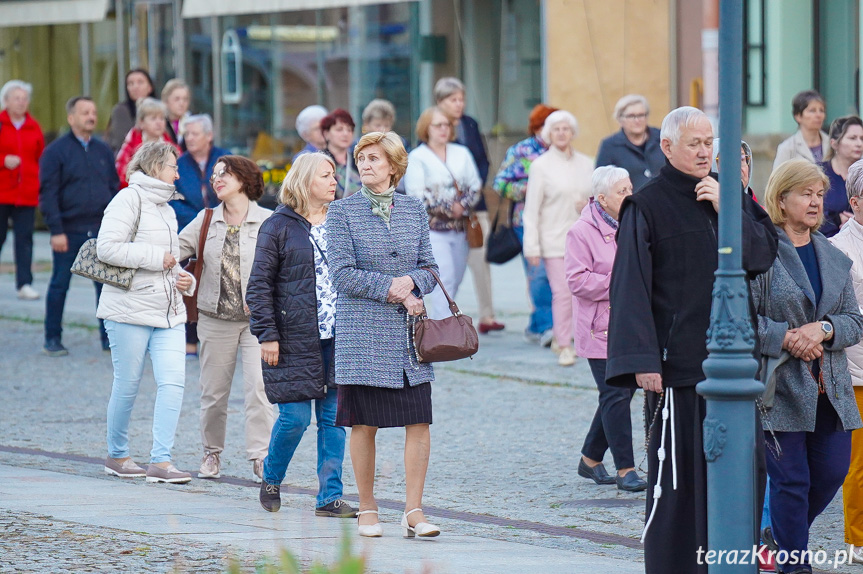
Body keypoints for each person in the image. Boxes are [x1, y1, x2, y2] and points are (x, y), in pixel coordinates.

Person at [605, 106, 778, 574]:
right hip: (677, 368)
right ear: (668, 147)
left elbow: (763, 256)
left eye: (709, 143)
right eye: (695, 144)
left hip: (736, 368)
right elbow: (630, 288)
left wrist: (729, 208)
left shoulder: (728, 194)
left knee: (741, 476)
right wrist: (642, 360)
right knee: (679, 484)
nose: (705, 152)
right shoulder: (647, 205)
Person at [327, 131, 440, 538]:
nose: (366, 165)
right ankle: (368, 509)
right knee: (364, 425)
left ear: (393, 166)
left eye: (374, 158)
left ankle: (413, 510)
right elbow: (341, 274)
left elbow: (431, 269)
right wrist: (392, 288)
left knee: (419, 422)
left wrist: (411, 281)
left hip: (409, 341)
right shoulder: (341, 213)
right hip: (363, 337)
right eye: (361, 158)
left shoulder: (414, 209)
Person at [753, 158, 863, 574]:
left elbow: (855, 321)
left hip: (830, 387)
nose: (816, 202)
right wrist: (786, 337)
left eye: (819, 195)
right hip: (780, 386)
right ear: (782, 200)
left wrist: (823, 329)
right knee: (791, 480)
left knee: (833, 471)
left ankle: (781, 536)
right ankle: (793, 565)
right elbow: (741, 316)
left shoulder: (832, 255)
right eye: (805, 194)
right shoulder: (762, 252)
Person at [247, 152, 356, 518]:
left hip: (339, 339)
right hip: (292, 341)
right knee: (294, 418)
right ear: (305, 180)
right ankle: (272, 477)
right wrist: (267, 336)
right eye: (326, 175)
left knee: (334, 421)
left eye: (334, 175)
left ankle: (330, 497)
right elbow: (258, 287)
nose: (334, 181)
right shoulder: (277, 226)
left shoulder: (342, 221)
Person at [97, 141, 196, 484]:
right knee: (128, 384)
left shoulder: (168, 208)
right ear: (155, 167)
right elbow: (106, 248)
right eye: (173, 165)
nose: (177, 172)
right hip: (128, 310)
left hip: (168, 311)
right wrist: (157, 259)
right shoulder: (128, 199)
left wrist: (181, 276)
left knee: (174, 383)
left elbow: (169, 261)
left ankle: (161, 461)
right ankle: (117, 454)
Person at [179, 155, 276, 483]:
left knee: (259, 390)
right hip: (214, 318)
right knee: (214, 392)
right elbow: (174, 250)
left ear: (245, 180)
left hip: (257, 322)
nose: (217, 179)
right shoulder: (205, 219)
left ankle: (261, 456)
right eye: (215, 174)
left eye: (225, 174)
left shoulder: (268, 221)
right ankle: (211, 452)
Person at [565, 165, 645, 492]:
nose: (629, 195)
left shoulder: (634, 223)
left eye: (630, 189)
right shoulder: (580, 231)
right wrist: (621, 282)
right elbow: (577, 280)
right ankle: (625, 469)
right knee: (615, 393)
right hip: (600, 328)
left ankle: (590, 457)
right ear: (602, 198)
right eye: (621, 192)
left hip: (631, 324)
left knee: (623, 390)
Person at [39, 96, 119, 356]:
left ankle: (108, 339)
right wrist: (56, 230)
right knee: (60, 284)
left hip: (99, 229)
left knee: (105, 287)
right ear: (71, 118)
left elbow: (113, 186)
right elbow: (48, 194)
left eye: (94, 112)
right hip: (68, 231)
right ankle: (52, 338)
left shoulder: (103, 150)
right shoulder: (55, 152)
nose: (91, 116)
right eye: (85, 112)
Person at [522, 110, 593, 366]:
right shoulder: (541, 166)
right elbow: (531, 210)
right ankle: (564, 344)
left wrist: (587, 204)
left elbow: (597, 201)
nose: (562, 133)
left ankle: (573, 337)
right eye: (556, 129)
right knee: (563, 293)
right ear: (548, 134)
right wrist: (532, 246)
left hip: (584, 240)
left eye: (566, 128)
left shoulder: (587, 163)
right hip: (553, 240)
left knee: (583, 292)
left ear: (572, 132)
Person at [435, 77, 504, 333]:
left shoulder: (470, 124)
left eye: (461, 99)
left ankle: (487, 314)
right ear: (440, 102)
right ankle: (444, 314)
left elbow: (483, 161)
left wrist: (473, 189)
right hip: (445, 209)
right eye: (453, 99)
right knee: (449, 264)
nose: (459, 104)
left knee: (480, 257)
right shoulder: (432, 126)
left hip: (475, 204)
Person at [404, 107, 481, 321]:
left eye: (446, 124)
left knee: (455, 279)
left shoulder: (461, 153)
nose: (443, 129)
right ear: (426, 128)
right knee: (443, 278)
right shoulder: (418, 157)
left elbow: (474, 187)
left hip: (460, 229)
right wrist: (449, 208)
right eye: (437, 125)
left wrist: (462, 206)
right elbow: (417, 195)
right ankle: (443, 330)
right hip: (433, 231)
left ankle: (446, 323)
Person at [492, 104, 557, 345]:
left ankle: (537, 324)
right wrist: (530, 189)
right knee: (538, 274)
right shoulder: (521, 151)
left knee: (558, 275)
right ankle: (548, 327)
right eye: (549, 126)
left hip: (560, 221)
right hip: (527, 222)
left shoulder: (563, 151)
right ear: (538, 128)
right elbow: (500, 184)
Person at [828, 158, 863, 565]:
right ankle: (856, 537)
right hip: (855, 369)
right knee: (857, 465)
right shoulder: (839, 247)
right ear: (854, 201)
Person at [0, 79, 44, 301]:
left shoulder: (34, 126)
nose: (21, 102)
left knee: (25, 240)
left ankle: (24, 284)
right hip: (2, 192)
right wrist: (2, 160)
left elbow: (40, 158)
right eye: (16, 98)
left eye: (24, 98)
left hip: (26, 193)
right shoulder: (0, 123)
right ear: (5, 101)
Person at [171, 114, 230, 231]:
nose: (189, 138)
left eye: (195, 134)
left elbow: (237, 192)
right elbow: (172, 200)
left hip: (224, 226)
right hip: (189, 229)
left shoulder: (226, 159)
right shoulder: (178, 165)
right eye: (186, 134)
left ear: (209, 136)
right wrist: (200, 220)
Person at [595, 94, 665, 191]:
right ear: (620, 119)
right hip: (630, 204)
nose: (637, 120)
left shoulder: (662, 138)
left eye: (641, 115)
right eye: (631, 116)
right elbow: (601, 184)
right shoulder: (610, 146)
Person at [115, 98, 181, 189]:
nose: (159, 123)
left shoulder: (173, 149)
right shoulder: (130, 146)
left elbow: (180, 178)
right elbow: (122, 176)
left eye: (162, 118)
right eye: (153, 118)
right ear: (141, 122)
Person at [818, 115, 863, 237]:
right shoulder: (818, 173)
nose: (859, 143)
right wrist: (837, 220)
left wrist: (856, 223)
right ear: (834, 143)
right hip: (825, 242)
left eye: (862, 138)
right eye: (852, 138)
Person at [773, 90, 830, 170]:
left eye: (821, 110)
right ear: (798, 116)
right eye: (812, 111)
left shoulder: (833, 144)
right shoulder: (787, 148)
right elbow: (777, 180)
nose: (818, 115)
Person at [106, 69, 155, 153]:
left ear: (150, 87)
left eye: (140, 82)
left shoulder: (159, 108)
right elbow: (120, 142)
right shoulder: (121, 111)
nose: (135, 87)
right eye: (130, 83)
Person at [321, 109, 362, 198]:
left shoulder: (359, 159)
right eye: (339, 129)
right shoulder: (319, 161)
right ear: (326, 133)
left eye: (349, 129)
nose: (345, 134)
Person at [161, 79, 191, 148]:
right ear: (166, 101)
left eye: (185, 99)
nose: (181, 103)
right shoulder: (159, 122)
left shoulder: (193, 122)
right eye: (177, 99)